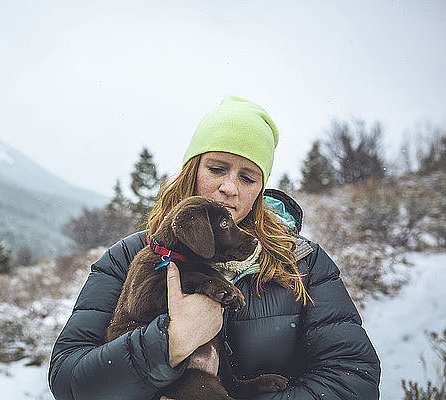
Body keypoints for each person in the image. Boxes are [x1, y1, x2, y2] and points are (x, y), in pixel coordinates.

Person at [48, 96, 381, 400]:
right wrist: (169, 342)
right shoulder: (127, 258)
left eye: (248, 178)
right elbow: (69, 380)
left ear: (260, 190)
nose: (229, 188)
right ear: (192, 171)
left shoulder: (303, 263)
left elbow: (353, 380)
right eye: (217, 168)